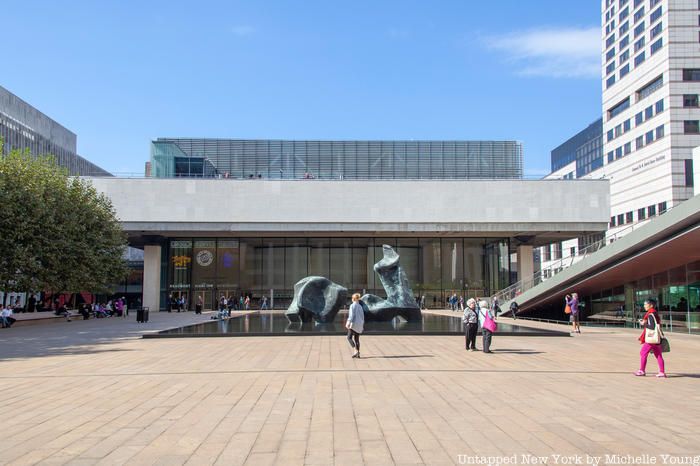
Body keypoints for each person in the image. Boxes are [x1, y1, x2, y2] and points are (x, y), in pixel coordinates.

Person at [635, 298, 666, 378]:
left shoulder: (650, 314)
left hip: (651, 339)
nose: (644, 306)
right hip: (657, 339)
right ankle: (662, 372)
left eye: (646, 304)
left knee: (643, 353)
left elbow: (652, 326)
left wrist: (643, 323)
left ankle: (642, 370)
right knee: (658, 355)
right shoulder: (654, 313)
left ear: (651, 305)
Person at [346, 293, 365, 358]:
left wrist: (348, 322)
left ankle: (355, 350)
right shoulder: (360, 306)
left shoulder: (352, 305)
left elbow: (351, 315)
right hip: (359, 324)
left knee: (349, 337)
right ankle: (358, 353)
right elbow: (362, 317)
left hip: (353, 324)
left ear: (353, 299)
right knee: (357, 339)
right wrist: (362, 324)